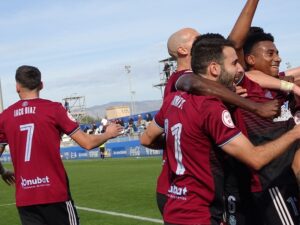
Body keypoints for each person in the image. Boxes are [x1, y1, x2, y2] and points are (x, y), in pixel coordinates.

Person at [140, 34, 300, 225]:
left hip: (175, 208)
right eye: (234, 64)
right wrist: (296, 132)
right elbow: (256, 158)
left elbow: (147, 139)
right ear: (215, 69)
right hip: (200, 215)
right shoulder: (210, 107)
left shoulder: (172, 100)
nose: (239, 70)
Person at [155, 0, 282, 217]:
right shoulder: (182, 81)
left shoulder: (209, 85)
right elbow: (194, 82)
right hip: (193, 198)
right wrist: (250, 106)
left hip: (202, 189)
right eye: (198, 39)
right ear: (183, 50)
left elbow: (148, 138)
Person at [0, 65, 123, 225]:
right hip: (54, 192)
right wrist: (108, 133)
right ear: (41, 85)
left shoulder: (5, 117)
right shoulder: (54, 109)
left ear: (17, 87)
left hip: (25, 197)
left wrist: (2, 171)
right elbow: (86, 142)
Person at [235, 27, 300, 225]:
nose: (277, 58)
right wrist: (291, 86)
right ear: (250, 59)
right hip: (271, 181)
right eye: (270, 53)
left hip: (288, 178)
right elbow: (250, 76)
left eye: (278, 53)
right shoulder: (246, 86)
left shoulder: (278, 84)